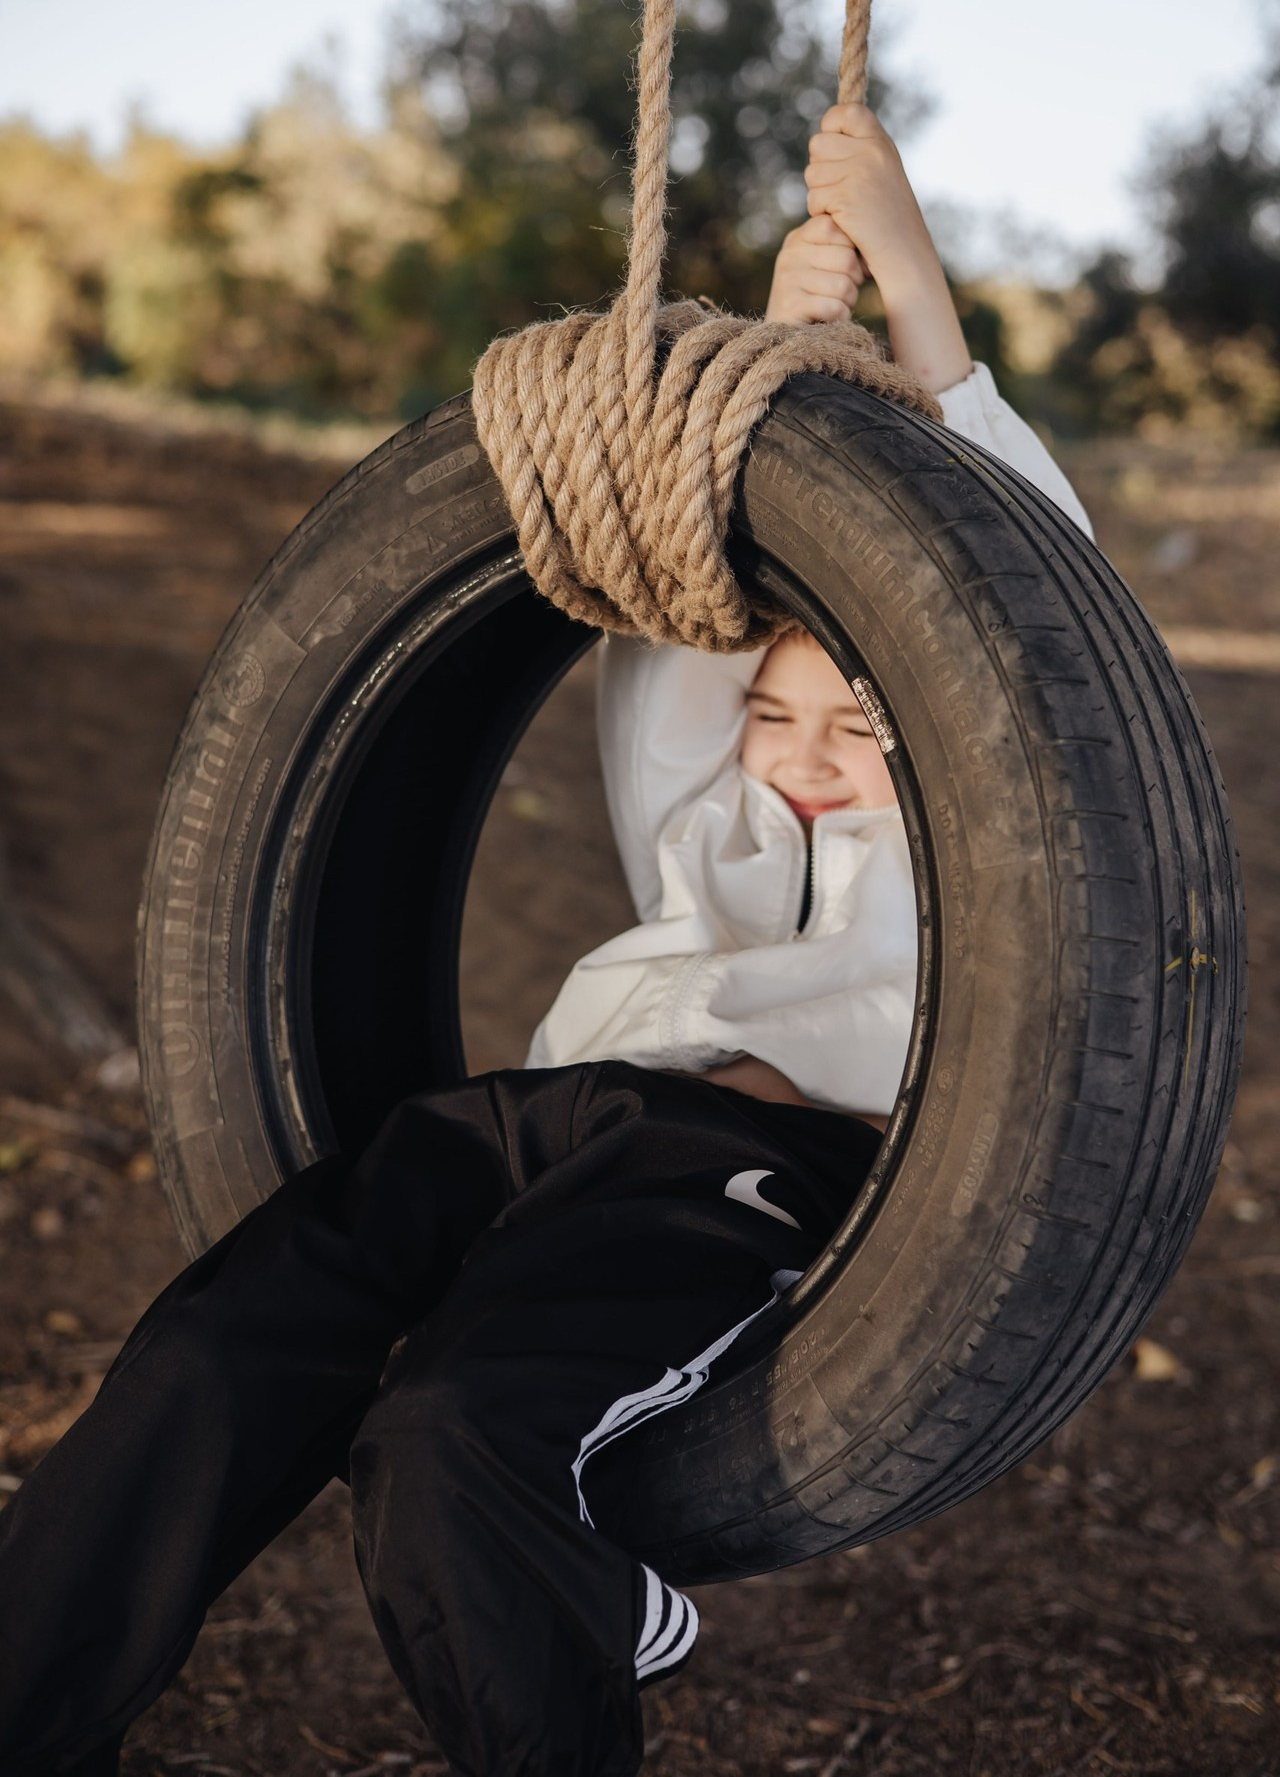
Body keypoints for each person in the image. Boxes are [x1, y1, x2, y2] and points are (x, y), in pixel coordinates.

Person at [0, 106, 1094, 1777]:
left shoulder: (974, 846)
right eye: (776, 710)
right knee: (220, 1344)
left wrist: (911, 283)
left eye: (862, 729)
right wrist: (792, 338)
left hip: (736, 1167)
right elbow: (664, 548)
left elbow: (1031, 603)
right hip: (530, 1124)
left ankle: (574, 1607)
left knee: (444, 1436)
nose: (803, 755)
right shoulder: (703, 794)